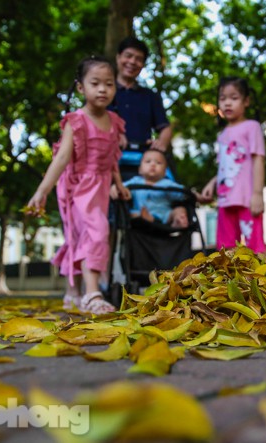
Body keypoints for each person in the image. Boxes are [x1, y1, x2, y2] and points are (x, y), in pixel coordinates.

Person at [26, 55, 130, 315]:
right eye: (95, 83)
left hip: (102, 186)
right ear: (81, 87)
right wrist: (42, 190)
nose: (103, 89)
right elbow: (61, 158)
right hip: (78, 187)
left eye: (108, 83)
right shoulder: (76, 121)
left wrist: (118, 184)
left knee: (80, 238)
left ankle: (72, 293)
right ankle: (93, 294)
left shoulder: (115, 122)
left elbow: (112, 158)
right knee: (96, 231)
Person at [198, 77, 266, 254]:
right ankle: (228, 283)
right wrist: (211, 183)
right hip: (225, 200)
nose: (227, 103)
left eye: (234, 98)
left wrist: (258, 194)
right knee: (225, 250)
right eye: (222, 98)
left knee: (255, 247)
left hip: (248, 200)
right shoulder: (222, 134)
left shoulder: (252, 127)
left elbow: (258, 159)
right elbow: (225, 167)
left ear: (246, 101)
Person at [108, 36, 172, 180]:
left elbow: (165, 127)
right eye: (128, 56)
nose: (132, 62)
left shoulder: (150, 96)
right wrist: (113, 134)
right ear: (118, 57)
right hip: (108, 162)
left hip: (143, 164)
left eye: (138, 59)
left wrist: (161, 142)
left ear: (143, 65)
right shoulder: (105, 92)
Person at [123, 149, 189, 228]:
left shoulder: (167, 183)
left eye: (158, 163)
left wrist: (195, 195)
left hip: (165, 216)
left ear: (165, 172)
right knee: (130, 214)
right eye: (148, 162)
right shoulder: (135, 181)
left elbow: (182, 193)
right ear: (140, 170)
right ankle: (148, 218)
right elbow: (122, 188)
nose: (153, 164)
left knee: (180, 210)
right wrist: (115, 189)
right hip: (141, 214)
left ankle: (177, 222)